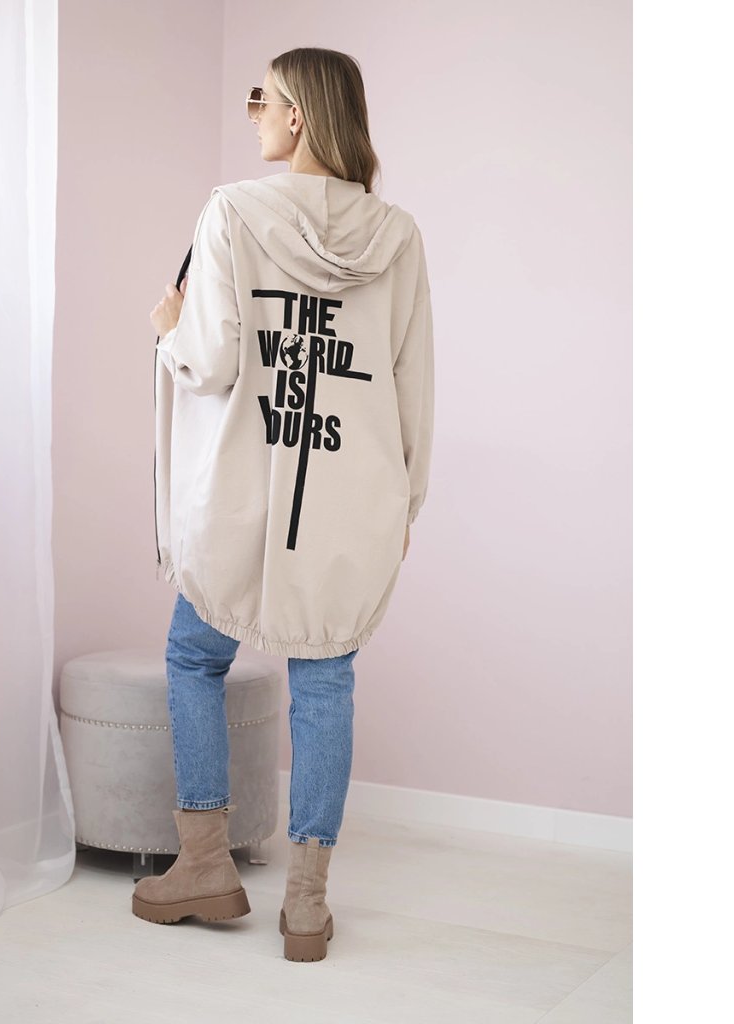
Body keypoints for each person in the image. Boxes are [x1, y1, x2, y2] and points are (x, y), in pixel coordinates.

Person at [133, 48, 435, 963]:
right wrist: (403, 504)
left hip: (241, 491)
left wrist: (168, 329)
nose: (255, 111)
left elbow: (213, 360)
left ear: (298, 114)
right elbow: (411, 385)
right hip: (350, 497)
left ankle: (203, 862)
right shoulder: (399, 236)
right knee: (325, 679)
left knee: (194, 655)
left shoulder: (232, 211)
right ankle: (306, 903)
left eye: (262, 98)